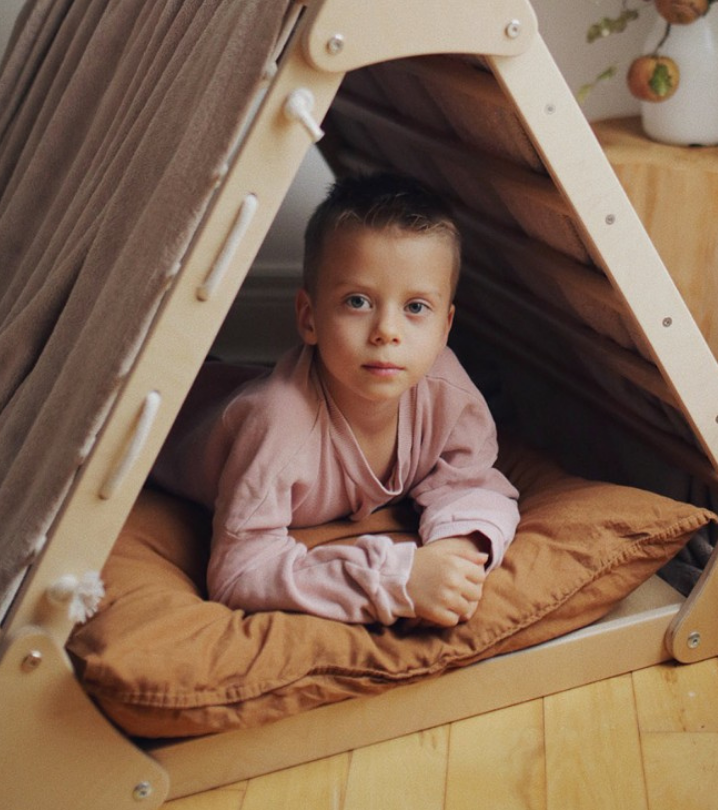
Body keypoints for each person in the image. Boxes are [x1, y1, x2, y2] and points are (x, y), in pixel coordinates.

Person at [154, 172, 519, 628]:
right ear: (309, 318)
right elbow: (239, 570)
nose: (388, 331)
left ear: (445, 327)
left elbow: (471, 483)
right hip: (171, 412)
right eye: (358, 302)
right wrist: (396, 580)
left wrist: (458, 547)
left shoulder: (447, 393)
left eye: (416, 308)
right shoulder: (279, 427)